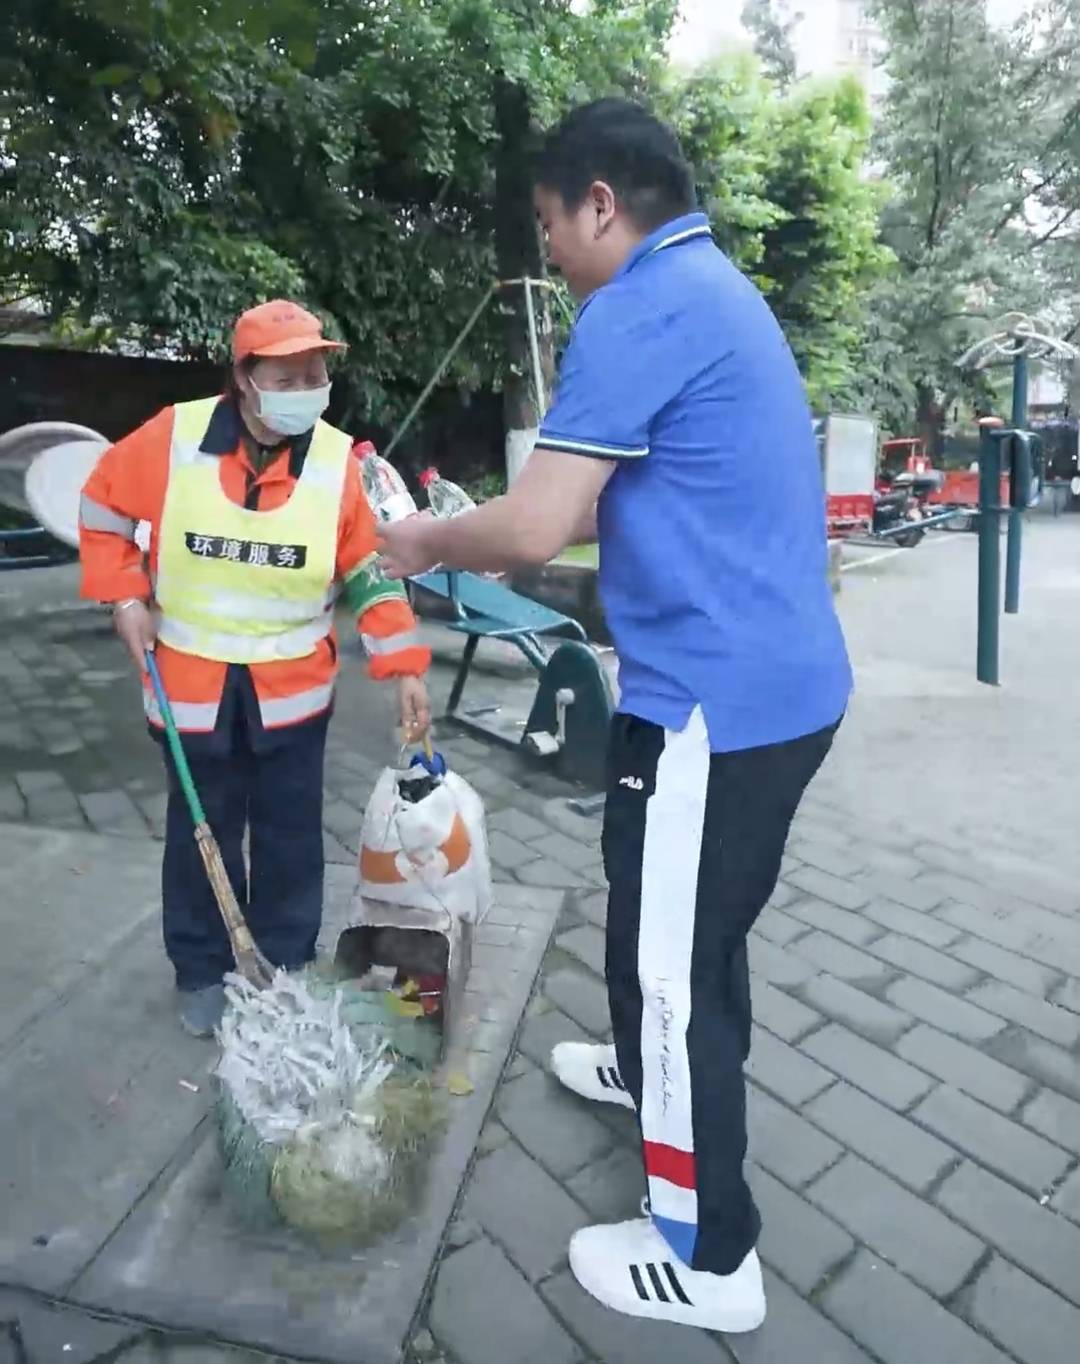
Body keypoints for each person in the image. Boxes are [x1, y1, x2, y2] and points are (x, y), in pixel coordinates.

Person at [378, 100, 851, 1332]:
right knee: (673, 915)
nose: (550, 254)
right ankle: (652, 1070)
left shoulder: (638, 305)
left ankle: (707, 1251)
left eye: (550, 225)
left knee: (678, 961)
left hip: (718, 700)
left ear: (600, 202)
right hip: (756, 687)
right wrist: (488, 508)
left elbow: (533, 534)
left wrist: (425, 537)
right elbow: (590, 499)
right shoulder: (704, 290)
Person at [79, 300, 432, 1038]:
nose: (310, 383)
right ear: (244, 378)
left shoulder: (337, 462)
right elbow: (102, 509)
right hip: (190, 689)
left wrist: (402, 664)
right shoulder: (172, 438)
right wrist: (123, 598)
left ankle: (287, 963)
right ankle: (203, 968)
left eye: (317, 371)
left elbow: (368, 568)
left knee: (291, 835)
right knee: (199, 831)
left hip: (292, 695)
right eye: (290, 373)